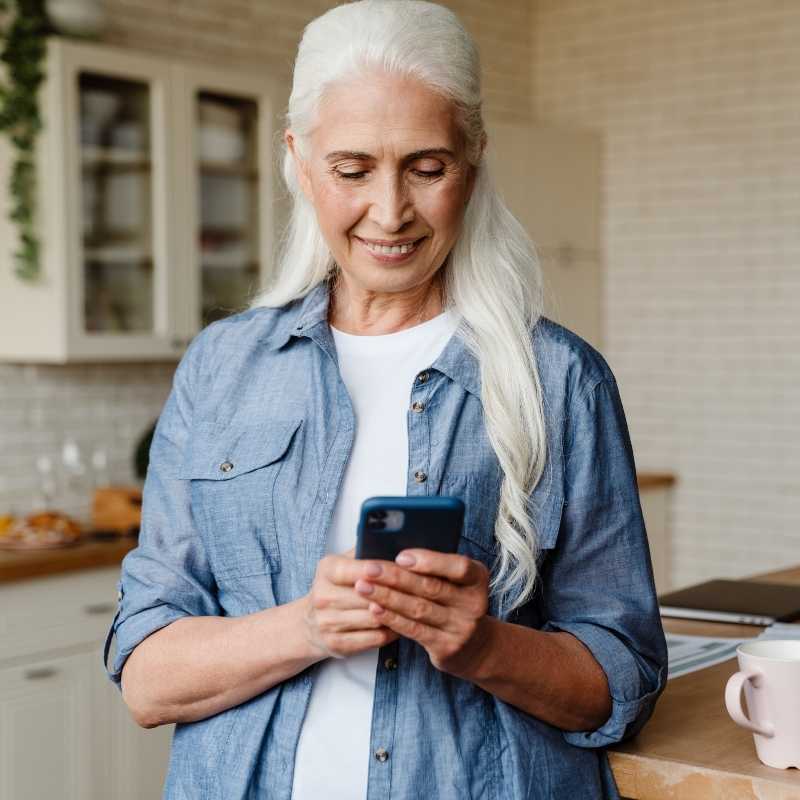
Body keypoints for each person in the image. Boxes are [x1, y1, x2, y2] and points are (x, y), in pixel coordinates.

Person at [102, 2, 668, 798]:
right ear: (299, 160)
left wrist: (481, 646)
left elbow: (623, 680)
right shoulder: (221, 368)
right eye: (353, 168)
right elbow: (147, 680)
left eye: (427, 167)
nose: (391, 210)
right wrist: (306, 626)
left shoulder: (562, 380)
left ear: (474, 158)